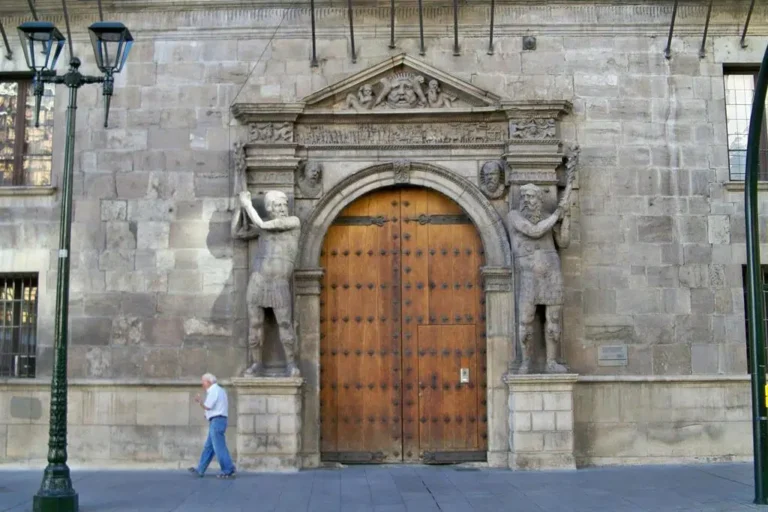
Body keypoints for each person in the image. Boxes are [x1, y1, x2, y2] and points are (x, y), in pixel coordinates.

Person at [232, 189, 301, 377]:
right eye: (277, 205)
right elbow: (237, 232)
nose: (282, 209)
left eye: (283, 205)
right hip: (258, 280)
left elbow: (262, 224)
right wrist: (240, 208)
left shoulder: (292, 222)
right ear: (270, 208)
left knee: (285, 323)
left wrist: (248, 204)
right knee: (255, 324)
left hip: (279, 283)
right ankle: (257, 364)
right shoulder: (263, 230)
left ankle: (290, 364)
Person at [506, 183, 570, 374]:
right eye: (524, 196)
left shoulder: (547, 219)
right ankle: (526, 362)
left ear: (540, 200)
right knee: (526, 319)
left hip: (552, 272)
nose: (527, 200)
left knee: (554, 318)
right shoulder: (514, 217)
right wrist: (557, 215)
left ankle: (551, 362)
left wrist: (565, 220)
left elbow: (563, 242)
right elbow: (534, 231)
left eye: (532, 197)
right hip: (528, 274)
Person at [188, 373, 236, 478]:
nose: (202, 384)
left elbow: (208, 406)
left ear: (209, 382)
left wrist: (200, 401)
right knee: (209, 447)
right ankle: (200, 470)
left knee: (219, 447)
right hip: (218, 420)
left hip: (217, 421)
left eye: (203, 381)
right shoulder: (220, 390)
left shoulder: (214, 390)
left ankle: (228, 469)